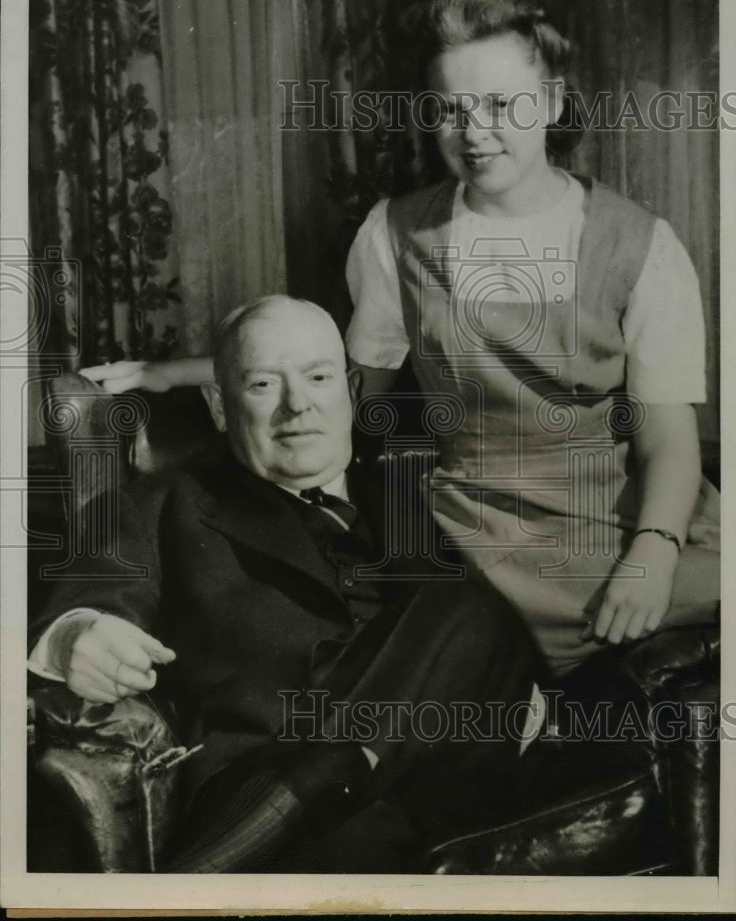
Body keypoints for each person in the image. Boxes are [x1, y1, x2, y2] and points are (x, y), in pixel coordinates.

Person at [30, 296, 542, 874]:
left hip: (433, 802)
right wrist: (76, 637)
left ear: (351, 389)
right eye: (263, 385)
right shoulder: (169, 504)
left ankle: (189, 885)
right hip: (267, 804)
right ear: (219, 406)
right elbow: (87, 602)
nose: (297, 405)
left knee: (469, 613)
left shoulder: (409, 500)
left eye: (319, 378)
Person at [343, 0, 720, 676]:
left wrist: (654, 553)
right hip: (475, 536)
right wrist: (202, 374)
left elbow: (668, 439)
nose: (474, 132)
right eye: (450, 109)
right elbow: (347, 395)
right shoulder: (391, 235)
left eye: (500, 104)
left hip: (624, 523)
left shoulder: (642, 243)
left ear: (549, 102)